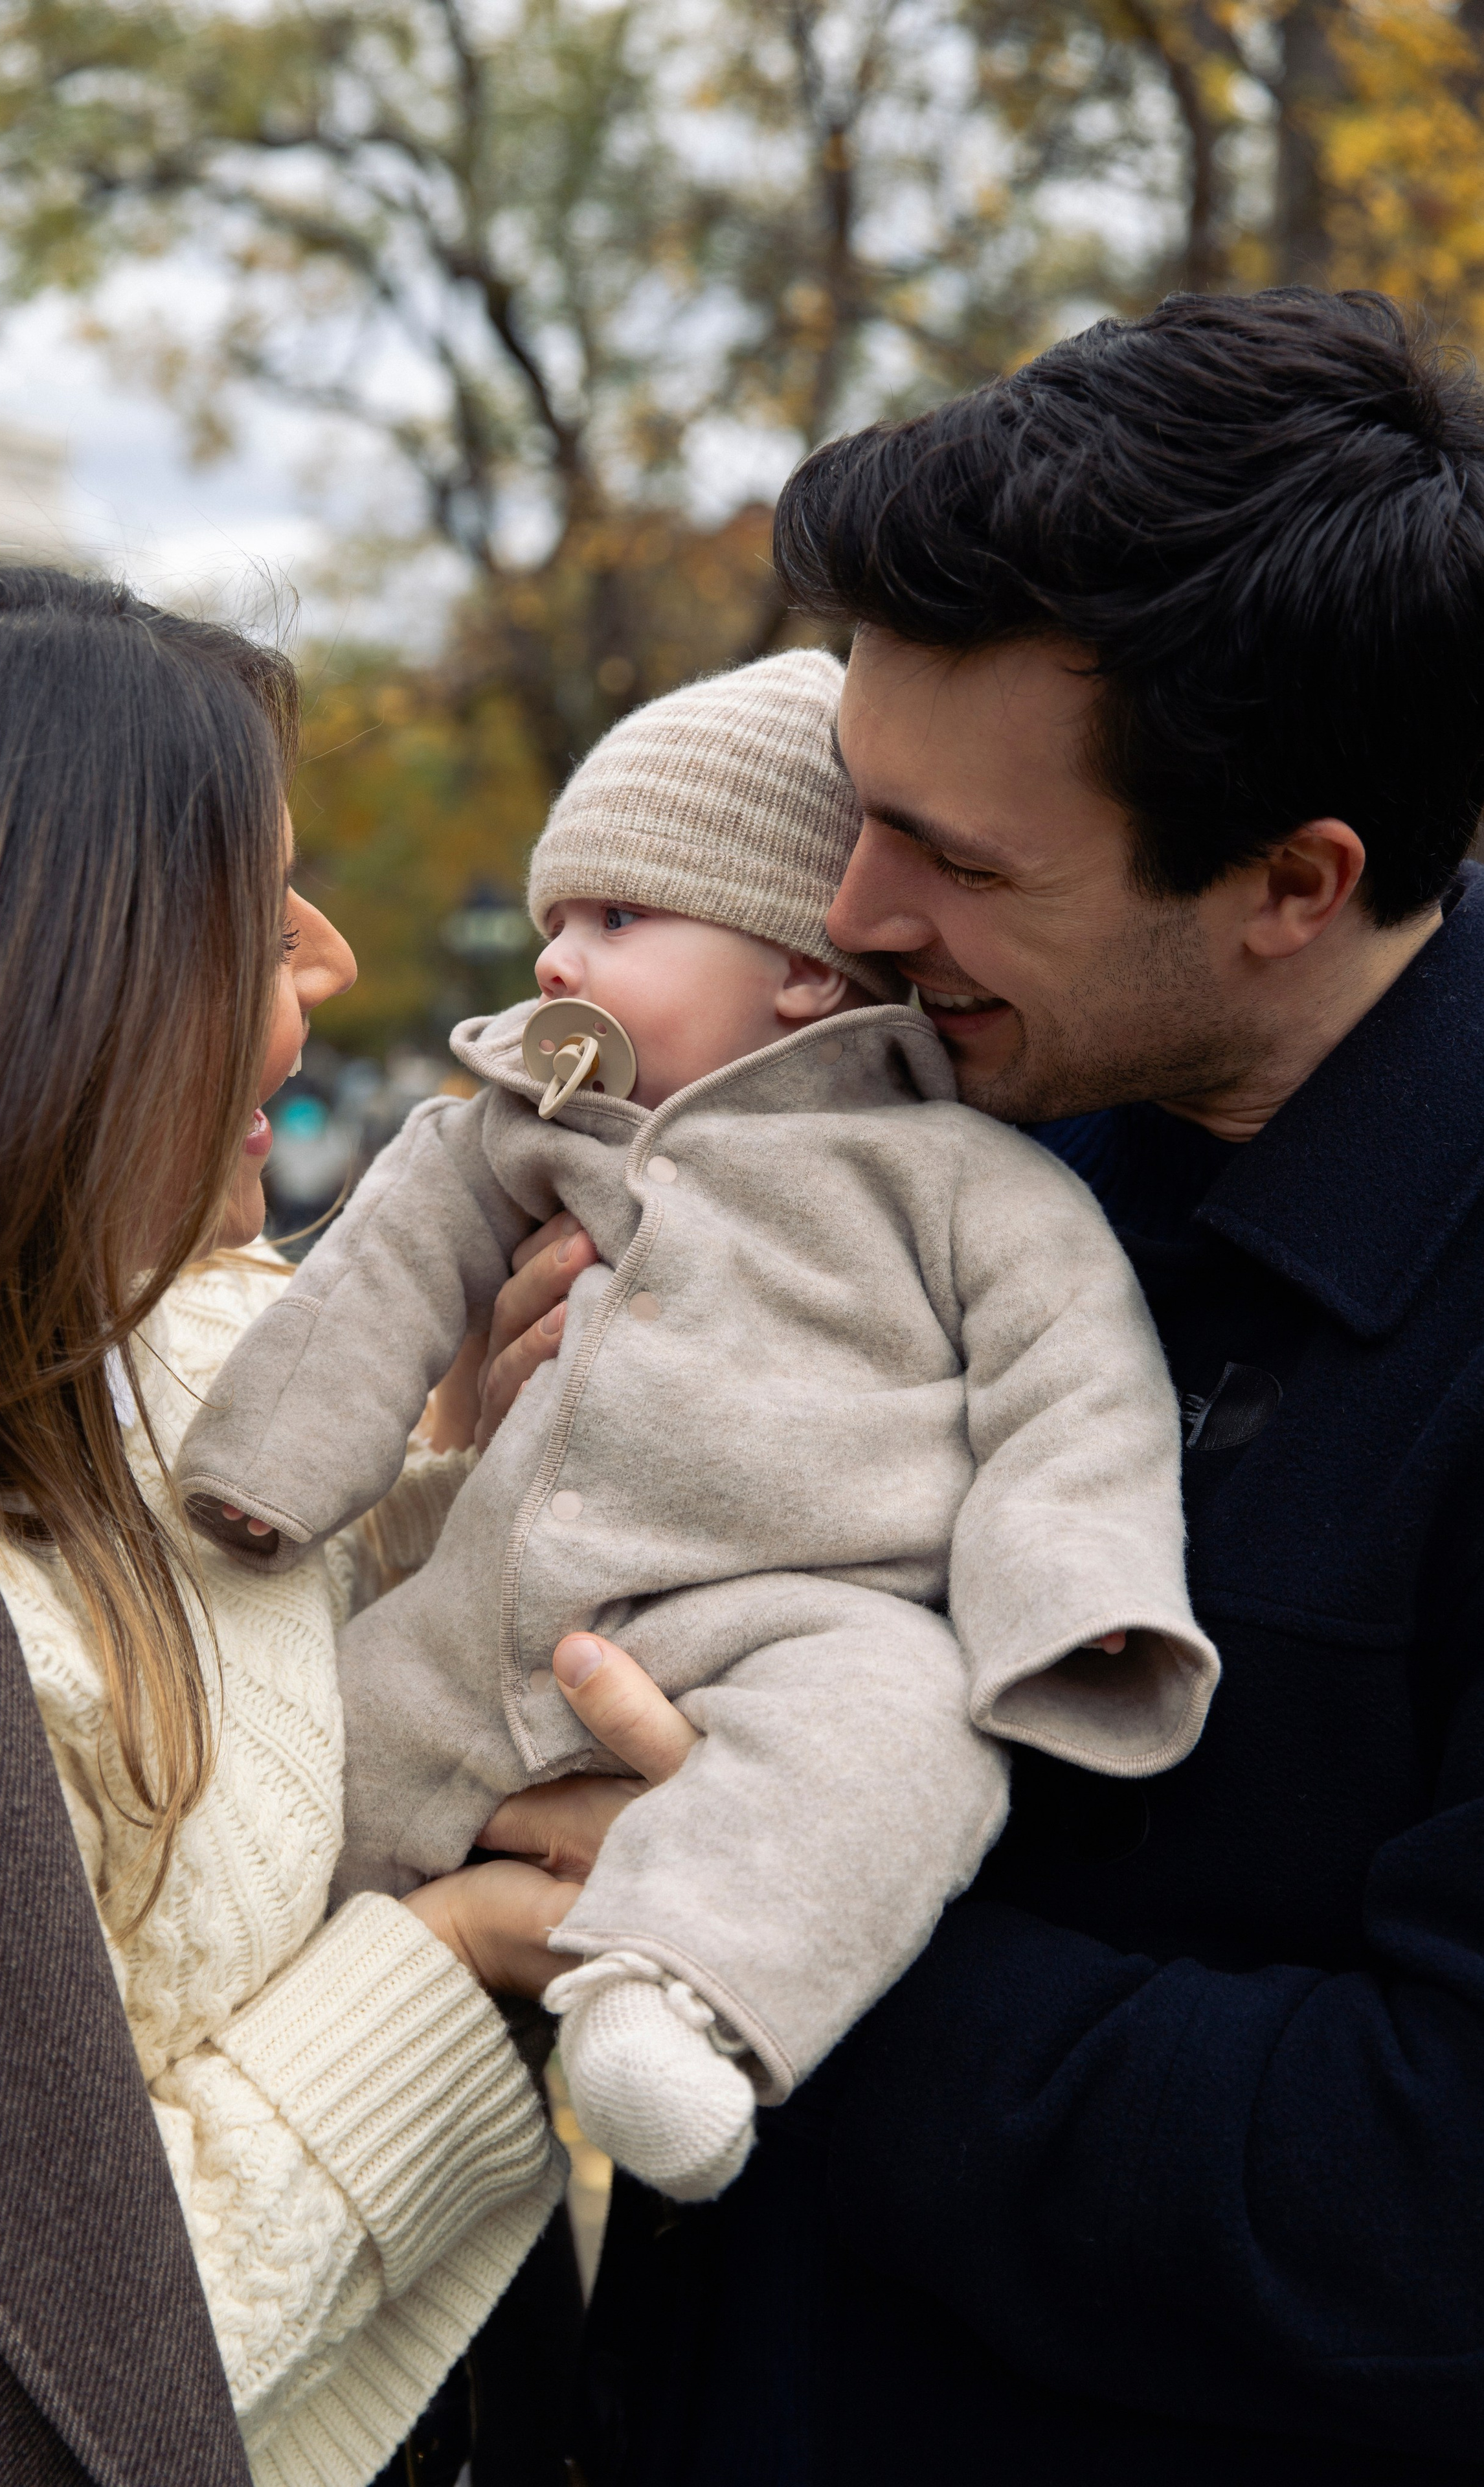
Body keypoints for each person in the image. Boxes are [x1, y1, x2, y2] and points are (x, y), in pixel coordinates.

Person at [449, 287, 1484, 2481]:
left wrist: (747, 1910)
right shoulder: (916, 1144)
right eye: (861, 802)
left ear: (1297, 882)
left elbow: (1428, 2207)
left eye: (964, 861)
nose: (850, 908)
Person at [174, 648, 1216, 2207]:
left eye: (616, 920)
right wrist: (276, 1471)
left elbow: (1076, 1400)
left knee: (896, 1742)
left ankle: (676, 2000)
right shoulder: (515, 1137)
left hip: (792, 1614)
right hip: (495, 1600)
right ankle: (210, 2026)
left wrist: (1076, 1622)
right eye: (550, 925)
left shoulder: (955, 1180)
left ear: (802, 968)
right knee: (312, 1761)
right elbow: (382, 1277)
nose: (553, 963)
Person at [0, 558, 623, 2487]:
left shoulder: (202, 1353)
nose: (333, 958)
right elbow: (5, 2346)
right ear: (49, 999)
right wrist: (465, 1955)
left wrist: (479, 1458)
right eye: (254, 920)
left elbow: (287, 1663)